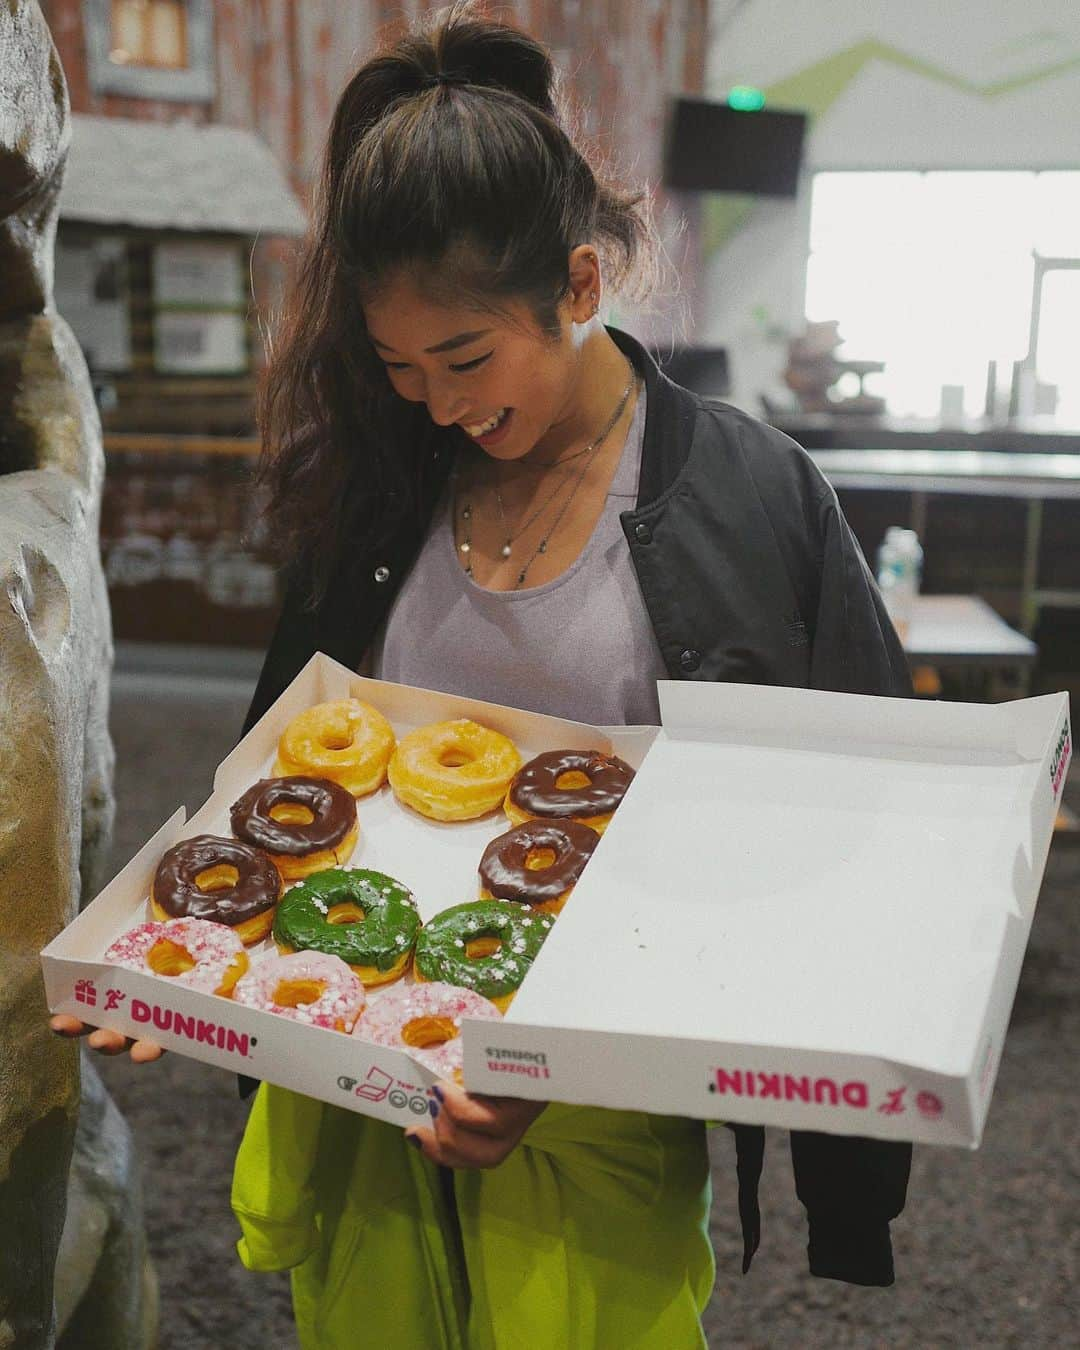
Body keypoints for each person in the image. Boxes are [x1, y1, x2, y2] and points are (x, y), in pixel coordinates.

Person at [54, 3, 913, 1345]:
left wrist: (557, 1067)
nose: (440, 403)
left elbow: (830, 843)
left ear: (578, 284)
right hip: (355, 1064)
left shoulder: (755, 499)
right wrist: (205, 968)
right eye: (401, 366)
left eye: (466, 357)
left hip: (601, 1114)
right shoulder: (383, 483)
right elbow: (283, 749)